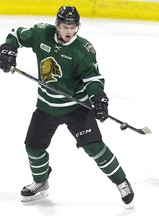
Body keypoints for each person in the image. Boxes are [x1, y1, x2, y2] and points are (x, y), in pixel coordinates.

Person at [0, 5, 134, 206]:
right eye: (64, 26)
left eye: (73, 27)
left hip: (76, 107)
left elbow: (93, 78)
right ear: (57, 25)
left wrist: (98, 98)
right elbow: (16, 34)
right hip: (46, 106)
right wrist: (8, 48)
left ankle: (121, 181)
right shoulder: (41, 34)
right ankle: (40, 181)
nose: (69, 31)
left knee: (94, 148)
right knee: (33, 148)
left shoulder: (83, 49)